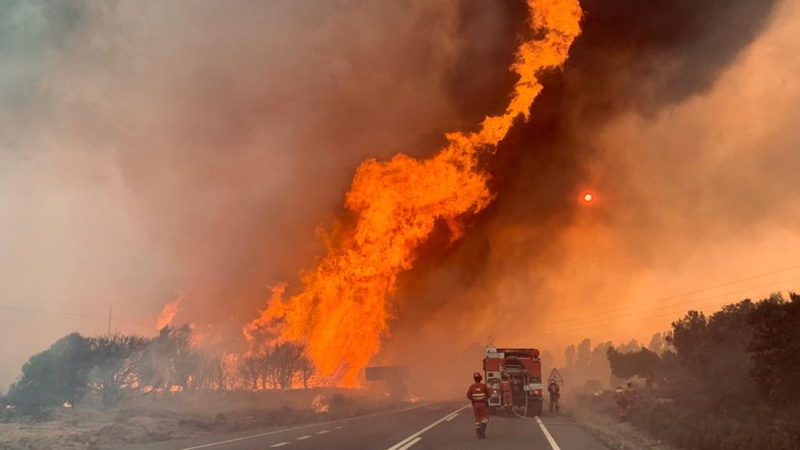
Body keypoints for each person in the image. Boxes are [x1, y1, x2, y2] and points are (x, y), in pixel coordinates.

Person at [466, 372, 490, 439]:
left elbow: (468, 395)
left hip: (475, 404)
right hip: (483, 404)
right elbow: (489, 394)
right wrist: (484, 398)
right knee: (485, 417)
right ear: (480, 378)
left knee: (477, 418)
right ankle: (482, 429)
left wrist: (473, 399)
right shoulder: (483, 386)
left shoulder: (472, 386)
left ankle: (478, 433)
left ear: (474, 379)